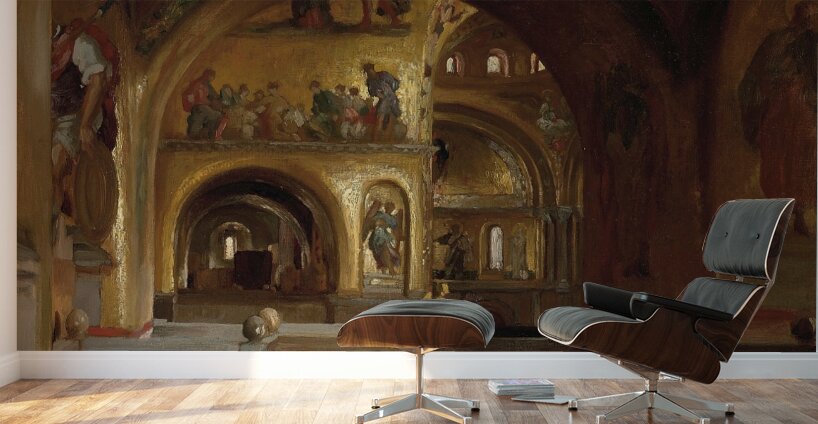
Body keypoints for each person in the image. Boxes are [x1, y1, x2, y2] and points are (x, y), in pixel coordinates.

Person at [51, 14, 118, 219]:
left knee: (55, 161)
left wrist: (85, 124)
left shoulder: (80, 43)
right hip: (49, 116)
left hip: (78, 113)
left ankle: (51, 225)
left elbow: (97, 81)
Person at [182, 69, 226, 140]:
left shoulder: (207, 85)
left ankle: (207, 133)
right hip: (198, 106)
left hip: (204, 107)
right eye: (211, 76)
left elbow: (215, 96)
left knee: (217, 115)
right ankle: (196, 134)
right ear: (206, 75)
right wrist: (194, 104)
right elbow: (191, 96)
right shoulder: (197, 84)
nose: (211, 78)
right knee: (213, 114)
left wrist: (219, 101)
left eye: (212, 77)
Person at [363, 63, 401, 141]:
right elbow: (372, 92)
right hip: (384, 101)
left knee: (391, 119)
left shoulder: (383, 75)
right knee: (380, 118)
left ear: (373, 69)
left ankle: (387, 141)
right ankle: (376, 140)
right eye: (367, 72)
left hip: (392, 99)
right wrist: (380, 94)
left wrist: (388, 92)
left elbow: (395, 85)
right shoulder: (370, 81)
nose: (369, 73)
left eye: (370, 71)